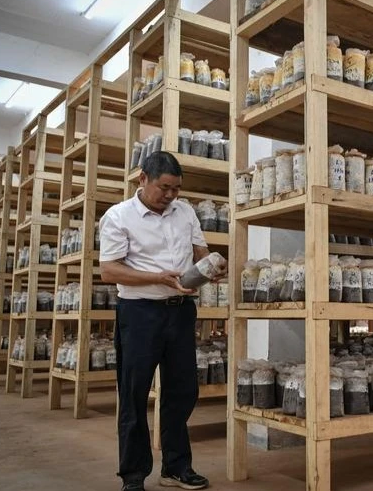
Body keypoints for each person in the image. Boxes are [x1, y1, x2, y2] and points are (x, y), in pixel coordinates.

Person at [100, 152, 227, 491]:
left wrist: (211, 264)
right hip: (140, 313)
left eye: (177, 189)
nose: (171, 195)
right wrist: (158, 277)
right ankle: (133, 475)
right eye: (164, 187)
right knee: (134, 393)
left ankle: (176, 467)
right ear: (142, 179)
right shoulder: (119, 216)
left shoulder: (184, 212)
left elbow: (200, 250)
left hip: (181, 312)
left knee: (182, 390)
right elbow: (109, 269)